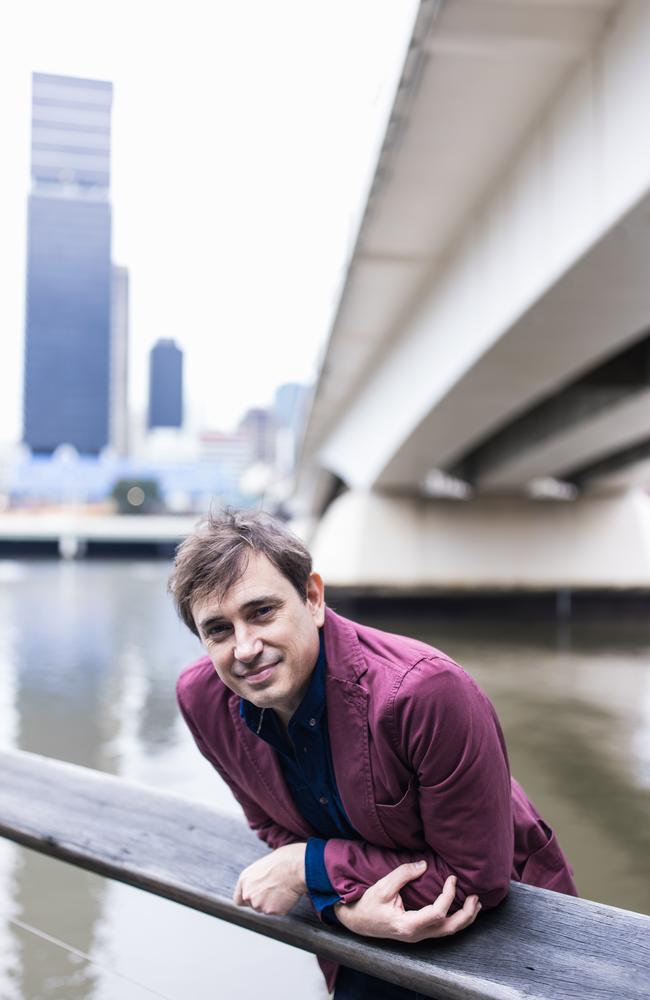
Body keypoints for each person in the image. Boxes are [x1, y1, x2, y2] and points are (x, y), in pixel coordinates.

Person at [171, 511, 577, 999]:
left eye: (262, 612)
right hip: (359, 939)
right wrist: (343, 908)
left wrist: (309, 869)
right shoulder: (203, 700)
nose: (245, 648)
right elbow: (272, 826)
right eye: (218, 630)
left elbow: (475, 879)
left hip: (505, 947)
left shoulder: (425, 693)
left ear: (313, 599)